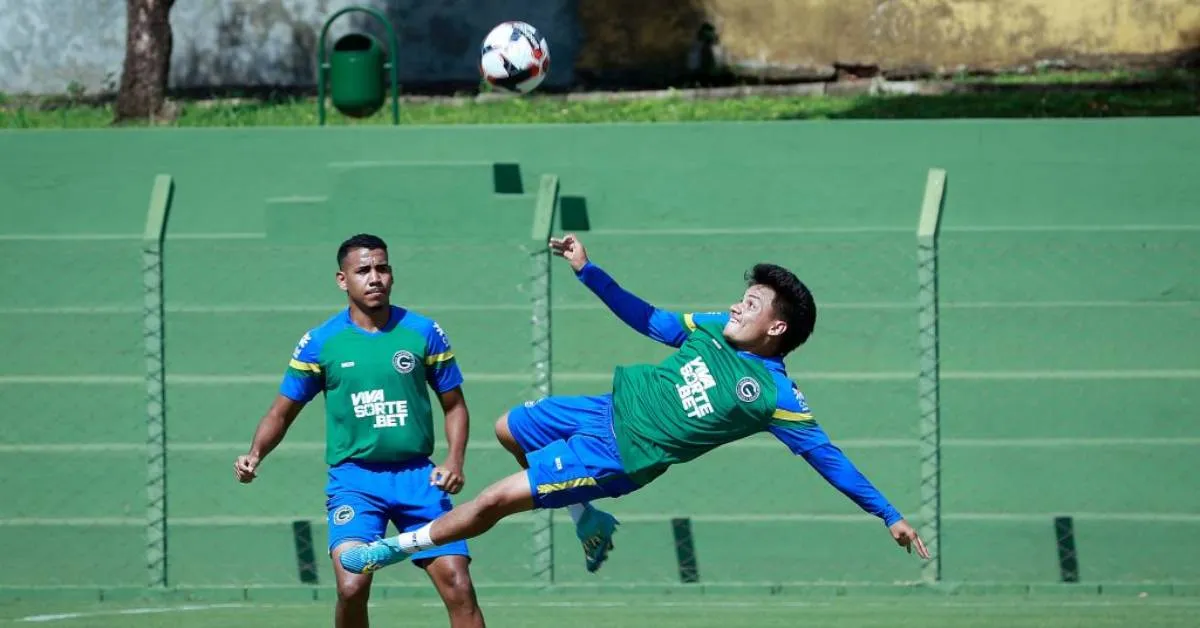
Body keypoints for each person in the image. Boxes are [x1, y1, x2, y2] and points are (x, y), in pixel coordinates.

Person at [337, 234, 929, 577]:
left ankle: (393, 549)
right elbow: (651, 320)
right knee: (506, 427)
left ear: (776, 328)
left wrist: (888, 514)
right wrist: (587, 271)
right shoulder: (716, 327)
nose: (738, 306)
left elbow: (827, 458)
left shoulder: (774, 395)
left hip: (622, 453)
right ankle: (586, 518)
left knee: (493, 499)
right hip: (603, 408)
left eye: (751, 304)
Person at [233, 233, 486, 628]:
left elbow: (455, 406)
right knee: (351, 586)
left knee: (459, 586)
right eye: (363, 270)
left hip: (419, 479)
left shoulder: (423, 331)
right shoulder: (320, 343)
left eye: (382, 268)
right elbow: (281, 413)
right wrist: (255, 453)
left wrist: (454, 459)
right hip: (355, 482)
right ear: (342, 280)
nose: (374, 278)